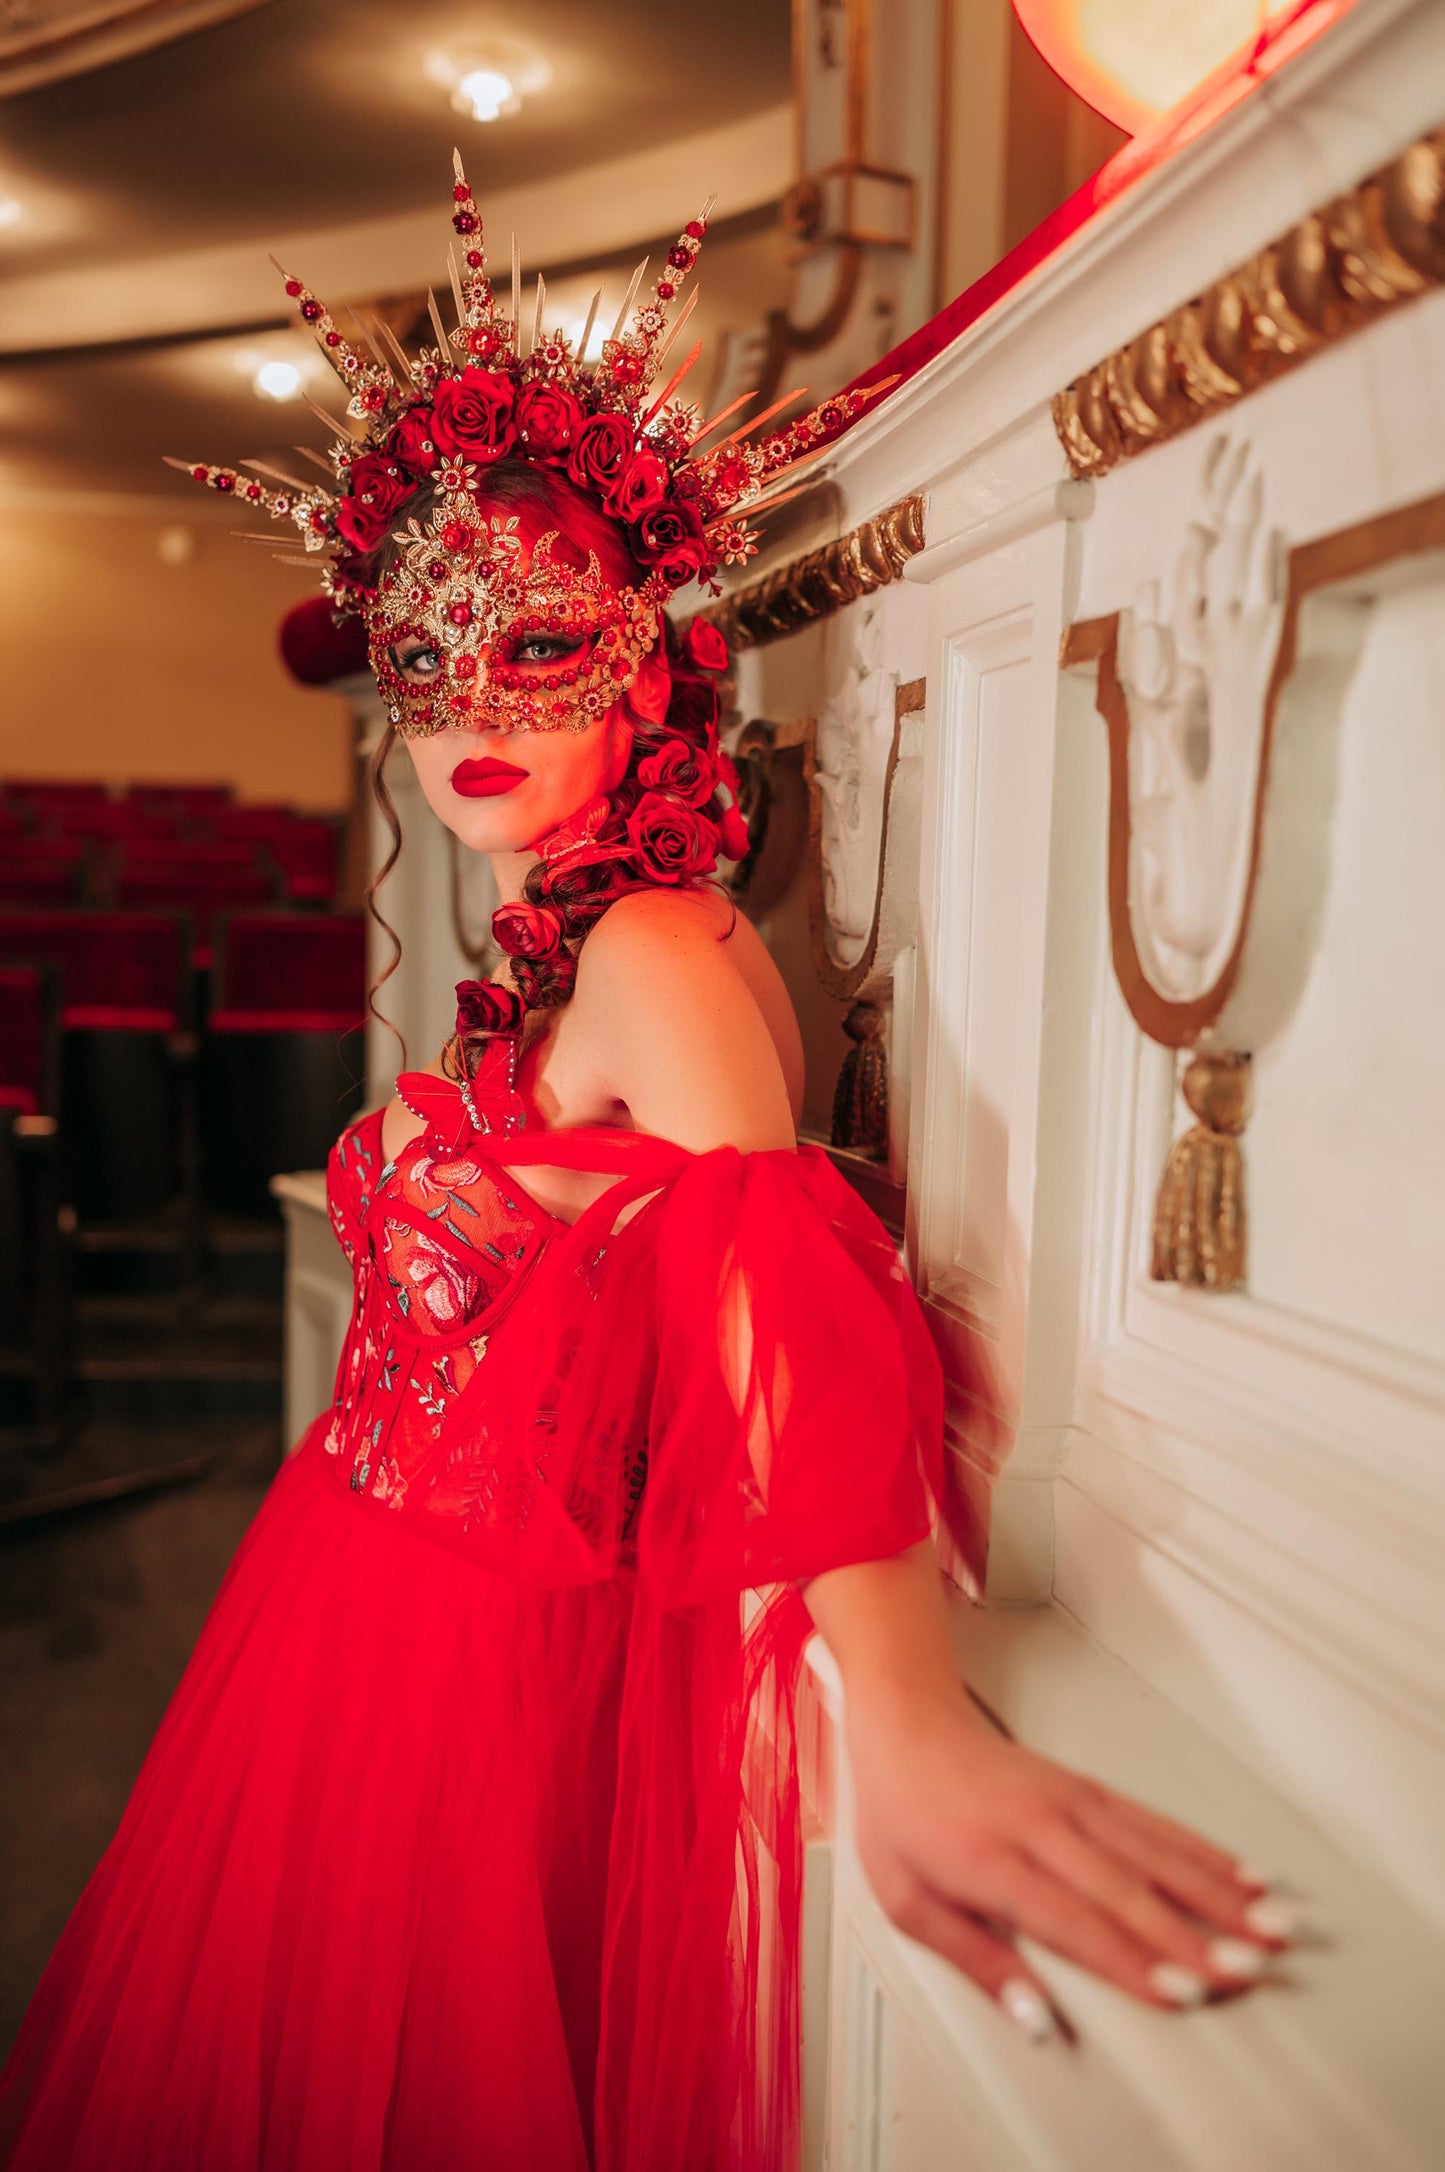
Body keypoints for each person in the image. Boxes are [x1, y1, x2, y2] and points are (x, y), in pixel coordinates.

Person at [0, 161, 1295, 2172]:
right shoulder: (566, 942)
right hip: (371, 1616)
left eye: (542, 643)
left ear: (645, 654)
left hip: (486, 1655)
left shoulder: (662, 950)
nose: (477, 706)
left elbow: (781, 1312)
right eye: (428, 664)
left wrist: (912, 1714)